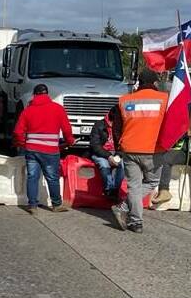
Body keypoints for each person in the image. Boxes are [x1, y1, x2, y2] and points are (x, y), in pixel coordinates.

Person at [111, 69, 168, 233]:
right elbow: (172, 124)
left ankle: (136, 223)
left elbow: (116, 128)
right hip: (154, 150)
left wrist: (118, 149)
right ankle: (126, 211)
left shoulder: (124, 100)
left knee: (134, 186)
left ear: (139, 83)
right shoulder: (165, 100)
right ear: (156, 83)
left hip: (130, 149)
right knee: (151, 183)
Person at [13, 83, 76, 215]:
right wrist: (70, 141)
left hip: (31, 150)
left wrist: (22, 144)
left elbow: (18, 132)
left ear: (34, 95)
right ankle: (56, 205)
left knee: (32, 177)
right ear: (47, 94)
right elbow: (66, 129)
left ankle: (33, 205)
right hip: (51, 150)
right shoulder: (58, 108)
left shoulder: (28, 110)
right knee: (52, 177)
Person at [89, 105, 125, 202]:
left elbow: (124, 144)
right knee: (104, 165)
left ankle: (115, 190)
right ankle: (108, 189)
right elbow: (95, 145)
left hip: (116, 152)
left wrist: (118, 155)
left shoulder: (122, 126)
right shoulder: (99, 125)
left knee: (122, 166)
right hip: (101, 153)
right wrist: (108, 156)